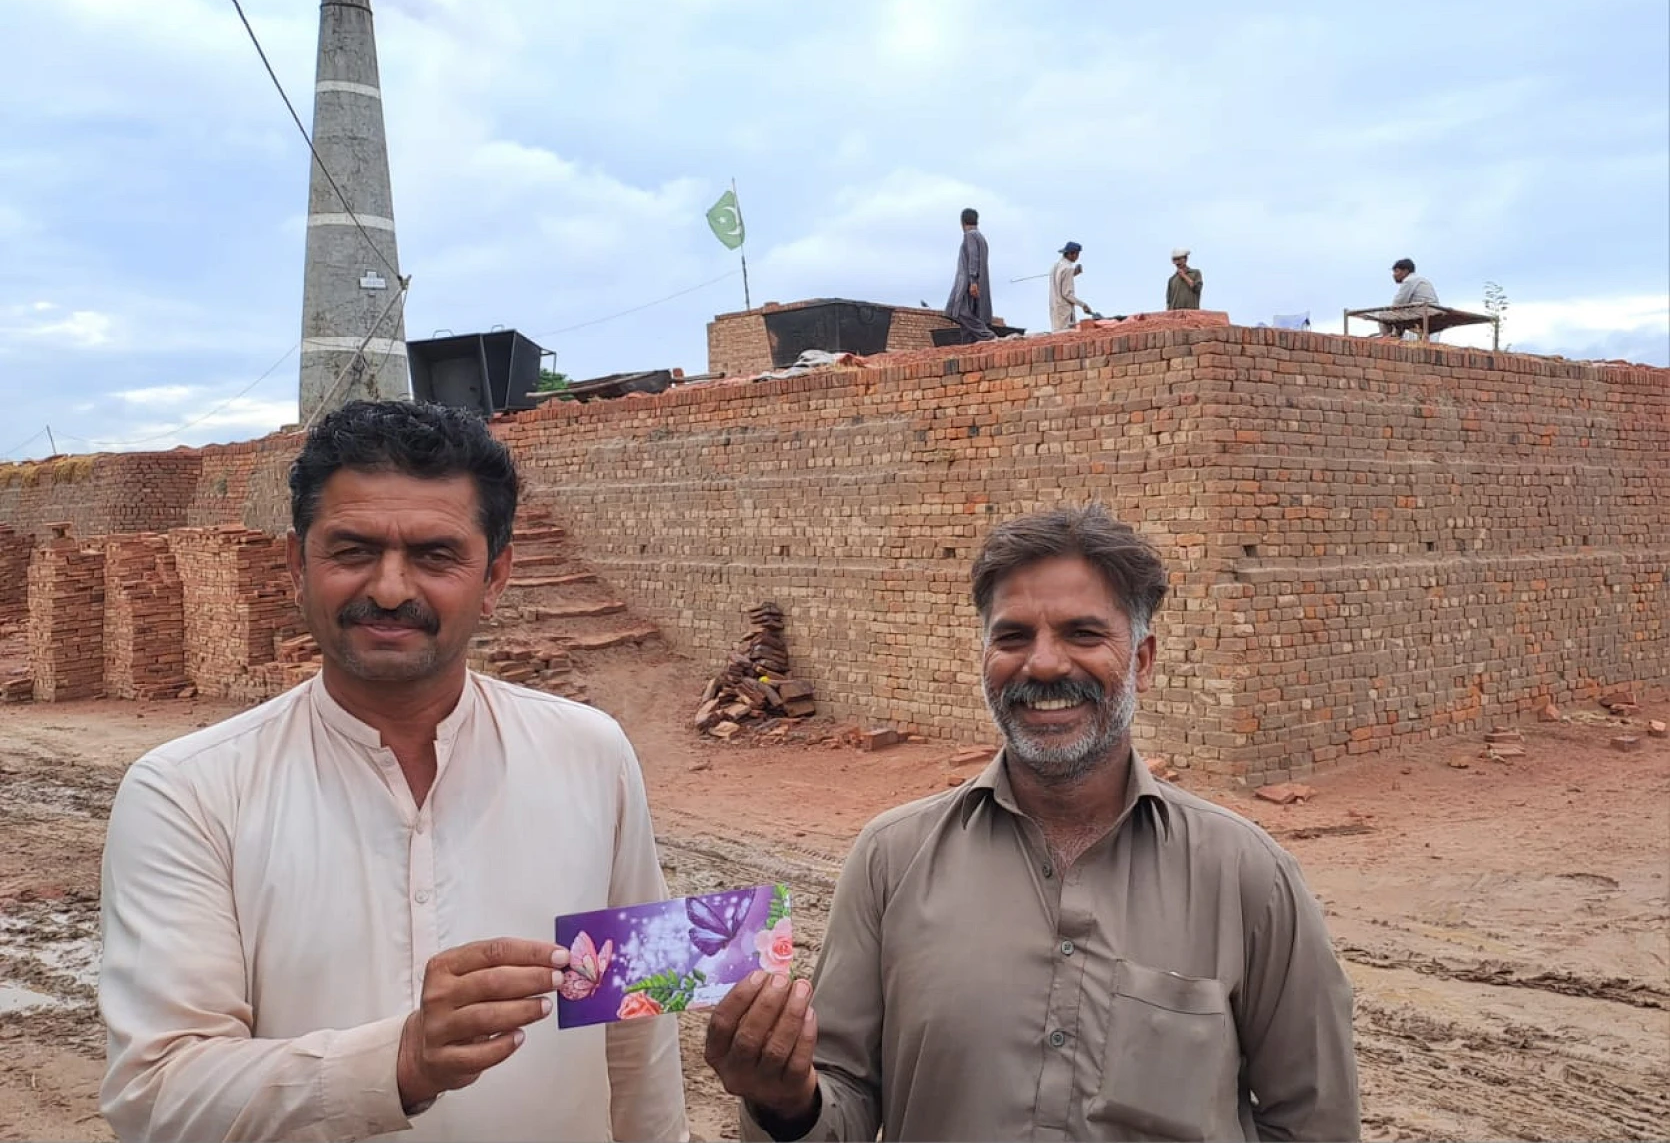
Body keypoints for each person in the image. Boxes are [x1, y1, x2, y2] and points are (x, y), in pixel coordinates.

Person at [98, 400, 687, 1142]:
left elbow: (636, 1039)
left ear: (495, 576)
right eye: (352, 551)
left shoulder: (591, 751)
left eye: (436, 556)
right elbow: (158, 1093)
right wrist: (399, 1062)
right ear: (296, 566)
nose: (388, 588)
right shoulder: (187, 793)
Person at [704, 505, 1360, 1142]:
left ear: (1144, 661)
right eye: (1013, 637)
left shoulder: (1248, 875)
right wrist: (787, 1105)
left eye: (1083, 633)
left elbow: (1314, 1123)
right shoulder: (891, 860)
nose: (1043, 664)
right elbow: (840, 1100)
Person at [944, 207, 996, 341]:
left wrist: (973, 281)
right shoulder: (981, 238)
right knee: (970, 318)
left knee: (959, 311)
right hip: (977, 282)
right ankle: (968, 347)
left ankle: (987, 335)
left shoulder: (970, 236)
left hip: (967, 283)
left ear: (962, 222)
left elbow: (974, 258)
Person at [1380, 257, 1440, 339]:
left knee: (1383, 316)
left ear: (1405, 271)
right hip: (1433, 312)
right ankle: (1395, 336)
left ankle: (1388, 340)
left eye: (1396, 271)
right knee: (1401, 314)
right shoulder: (1421, 280)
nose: (1394, 275)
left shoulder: (1409, 281)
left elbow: (1396, 304)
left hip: (1422, 312)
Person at [1049, 241, 1094, 332]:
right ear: (1070, 254)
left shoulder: (1056, 266)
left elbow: (1061, 280)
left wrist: (1075, 272)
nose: (1077, 257)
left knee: (1056, 333)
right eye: (1077, 254)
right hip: (1064, 311)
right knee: (1065, 334)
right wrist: (1083, 305)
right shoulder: (1068, 268)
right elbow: (1067, 294)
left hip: (1055, 307)